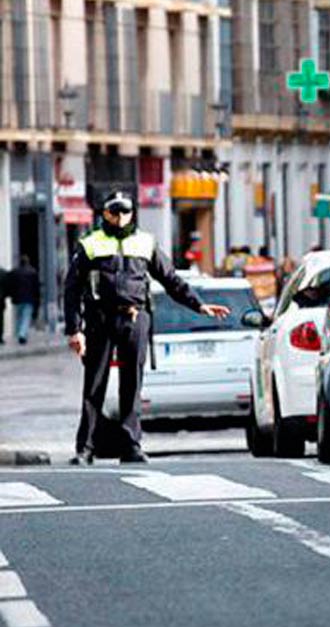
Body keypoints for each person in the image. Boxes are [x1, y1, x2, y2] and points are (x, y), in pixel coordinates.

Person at [63, 191, 230, 464]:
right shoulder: (90, 244)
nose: (120, 217)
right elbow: (72, 289)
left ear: (132, 213)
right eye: (114, 211)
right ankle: (85, 449)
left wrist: (199, 305)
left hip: (134, 317)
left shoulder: (145, 242)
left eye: (125, 211)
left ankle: (131, 446)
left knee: (133, 385)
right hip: (100, 320)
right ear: (105, 213)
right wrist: (75, 329)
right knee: (94, 386)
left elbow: (171, 279)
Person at [8, 255, 40, 345]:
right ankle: (22, 334)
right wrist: (37, 299)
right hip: (29, 298)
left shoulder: (15, 272)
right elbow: (36, 288)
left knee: (19, 317)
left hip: (17, 299)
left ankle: (19, 333)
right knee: (26, 317)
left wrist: (12, 296)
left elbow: (11, 285)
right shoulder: (32, 272)